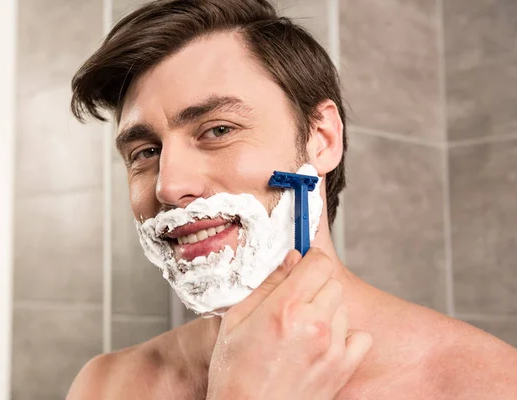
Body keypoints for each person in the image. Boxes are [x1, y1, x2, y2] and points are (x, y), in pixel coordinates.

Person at [66, 0, 517, 398]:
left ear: (321, 139)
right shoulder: (106, 385)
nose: (168, 186)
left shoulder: (486, 385)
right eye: (145, 152)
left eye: (218, 130)